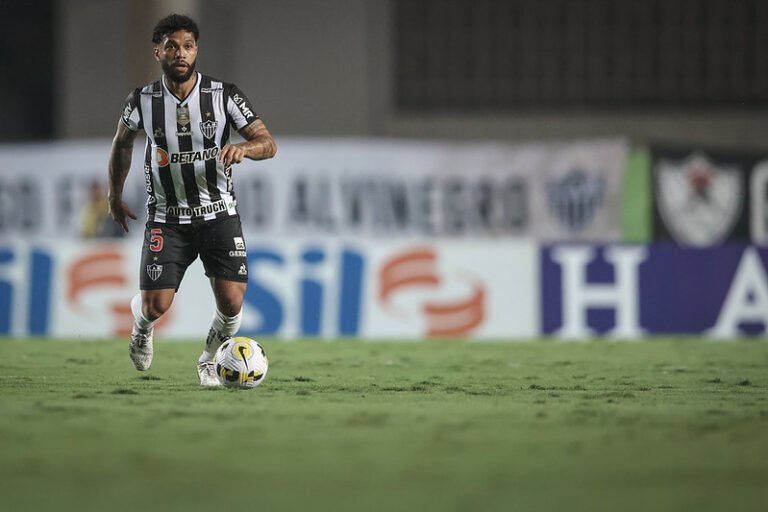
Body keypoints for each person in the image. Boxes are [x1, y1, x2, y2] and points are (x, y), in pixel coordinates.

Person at [107, 14, 276, 386]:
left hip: (219, 213)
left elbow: (268, 143)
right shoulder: (142, 100)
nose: (180, 53)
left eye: (187, 46)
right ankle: (142, 326)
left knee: (232, 302)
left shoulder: (224, 95)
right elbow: (122, 144)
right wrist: (114, 196)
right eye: (172, 46)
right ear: (158, 52)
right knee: (156, 306)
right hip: (167, 218)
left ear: (196, 50)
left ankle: (208, 361)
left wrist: (245, 149)